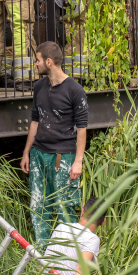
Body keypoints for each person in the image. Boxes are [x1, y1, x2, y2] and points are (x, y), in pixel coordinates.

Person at [21, 41, 88, 245]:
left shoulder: (75, 90)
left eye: (38, 60)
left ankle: (67, 256)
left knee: (64, 207)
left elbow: (82, 128)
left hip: (63, 157)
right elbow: (35, 120)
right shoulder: (39, 86)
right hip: (38, 155)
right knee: (38, 205)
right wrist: (26, 153)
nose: (35, 64)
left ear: (48, 62)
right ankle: (41, 254)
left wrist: (78, 161)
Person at [40, 197, 138, 275]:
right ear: (102, 222)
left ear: (83, 212)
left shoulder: (61, 228)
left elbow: (44, 264)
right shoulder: (91, 239)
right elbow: (81, 270)